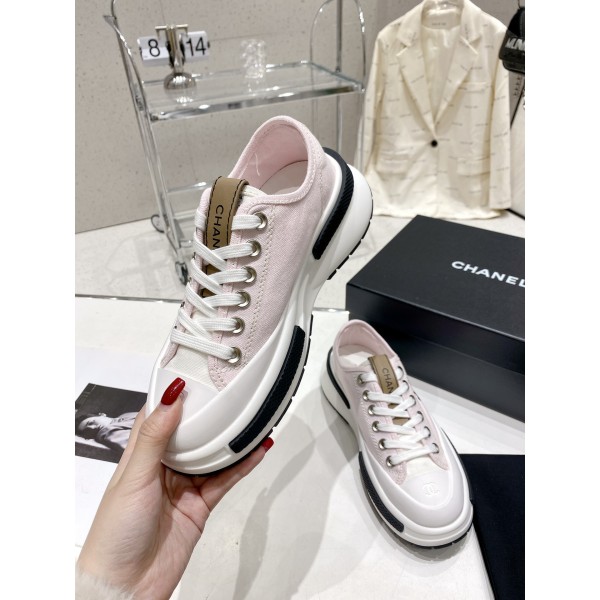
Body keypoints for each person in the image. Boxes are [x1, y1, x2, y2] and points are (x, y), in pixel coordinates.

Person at [75, 377, 273, 600]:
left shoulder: (125, 417)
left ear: (101, 414)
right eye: (89, 430)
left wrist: (113, 584)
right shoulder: (108, 432)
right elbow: (125, 440)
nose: (94, 427)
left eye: (91, 422)